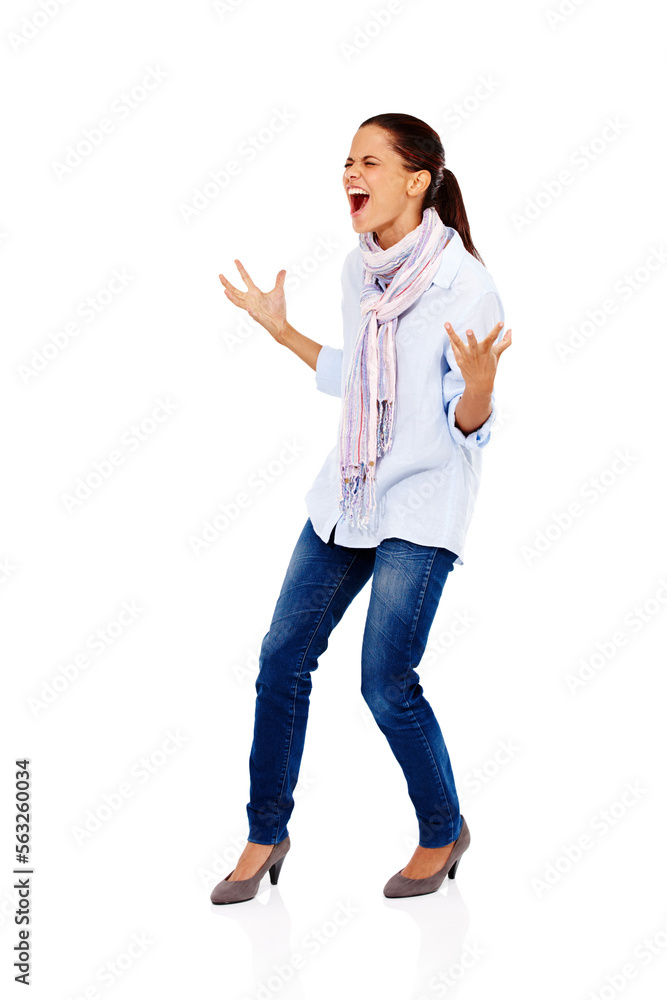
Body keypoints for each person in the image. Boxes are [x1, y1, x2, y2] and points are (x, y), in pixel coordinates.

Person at [211, 113, 512, 904]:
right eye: (347, 161)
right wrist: (282, 333)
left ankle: (442, 829)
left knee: (384, 681)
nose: (351, 174)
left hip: (419, 500)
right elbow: (364, 379)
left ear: (417, 181)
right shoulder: (358, 271)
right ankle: (265, 830)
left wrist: (478, 386)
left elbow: (463, 418)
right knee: (282, 659)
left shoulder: (466, 284)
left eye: (369, 162)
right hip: (349, 494)